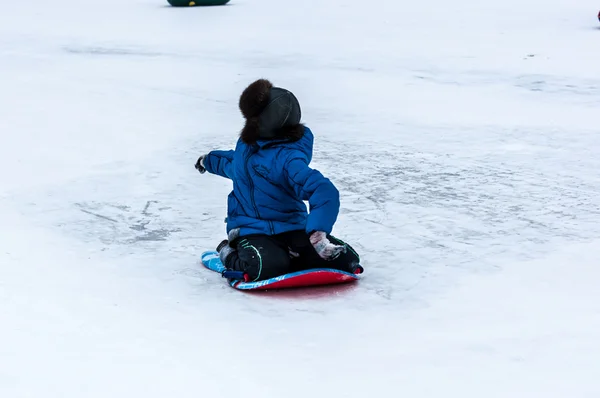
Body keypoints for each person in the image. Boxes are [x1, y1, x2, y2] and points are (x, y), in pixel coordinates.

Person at [194, 79, 363, 281]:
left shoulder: (287, 160)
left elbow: (323, 190)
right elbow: (231, 163)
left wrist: (318, 234)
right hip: (250, 228)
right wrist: (208, 160)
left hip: (292, 227)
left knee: (347, 260)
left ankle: (292, 256)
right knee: (264, 266)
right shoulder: (246, 149)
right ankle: (226, 252)